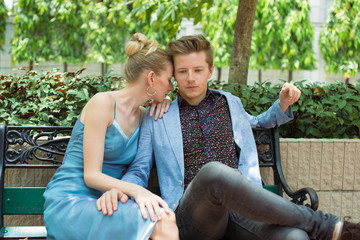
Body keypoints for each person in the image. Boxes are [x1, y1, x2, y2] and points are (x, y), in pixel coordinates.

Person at [100, 35, 360, 240]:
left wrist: (281, 105)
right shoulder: (158, 115)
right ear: (173, 75)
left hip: (242, 213)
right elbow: (140, 167)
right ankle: (328, 226)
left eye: (198, 70)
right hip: (192, 217)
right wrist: (117, 188)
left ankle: (326, 229)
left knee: (294, 236)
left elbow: (257, 124)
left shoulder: (230, 103)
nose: (190, 78)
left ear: (210, 70)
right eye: (182, 72)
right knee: (214, 173)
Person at [43, 33, 179, 240]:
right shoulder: (102, 103)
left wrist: (166, 102)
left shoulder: (143, 117)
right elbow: (91, 175)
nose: (171, 87)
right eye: (169, 80)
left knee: (164, 218)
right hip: (71, 202)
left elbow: (137, 167)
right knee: (162, 220)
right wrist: (137, 191)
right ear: (152, 77)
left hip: (110, 200)